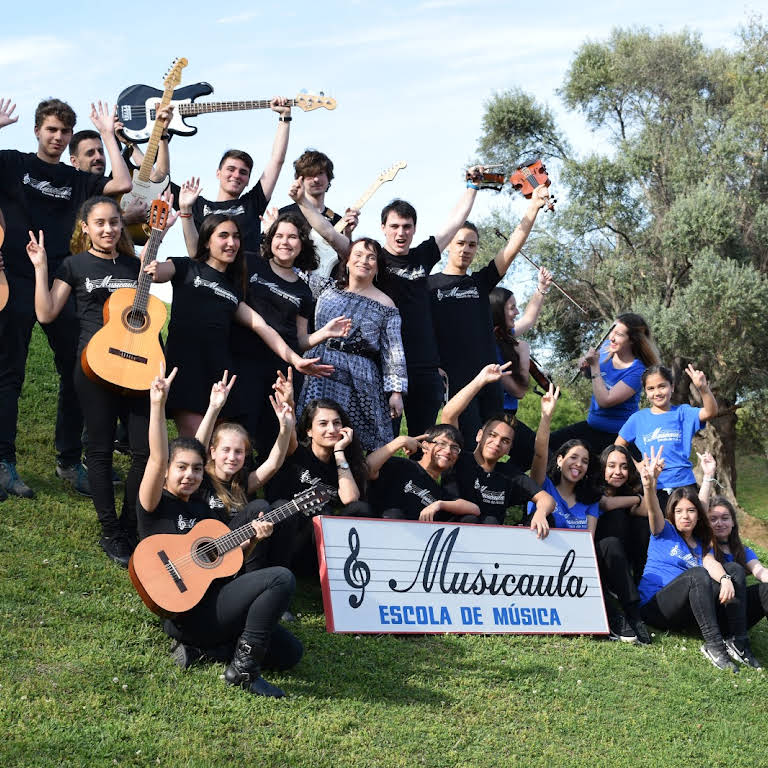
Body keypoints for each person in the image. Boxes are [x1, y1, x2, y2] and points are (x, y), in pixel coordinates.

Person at [137, 367, 301, 697]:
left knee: (289, 653)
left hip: (213, 605)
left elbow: (227, 561)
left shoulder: (202, 511)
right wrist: (158, 404)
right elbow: (157, 456)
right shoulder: (154, 503)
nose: (190, 475)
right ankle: (243, 671)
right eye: (181, 468)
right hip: (186, 612)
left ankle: (204, 652)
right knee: (280, 577)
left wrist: (253, 538)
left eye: (196, 470)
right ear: (167, 470)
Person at [289, 166, 486, 437]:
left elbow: (454, 223)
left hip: (424, 366)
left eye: (407, 227)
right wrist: (302, 203)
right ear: (383, 228)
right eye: (394, 226)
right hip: (385, 366)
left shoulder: (423, 256)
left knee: (424, 439)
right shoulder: (372, 259)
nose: (400, 233)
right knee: (385, 436)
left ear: (415, 229)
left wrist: (472, 188)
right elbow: (330, 234)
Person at [0, 97, 131, 498]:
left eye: (64, 132)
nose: (57, 138)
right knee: (9, 374)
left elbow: (122, 183)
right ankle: (4, 463)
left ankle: (69, 461)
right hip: (16, 279)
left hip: (62, 281)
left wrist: (108, 133)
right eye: (51, 130)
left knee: (78, 370)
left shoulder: (77, 181)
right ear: (37, 131)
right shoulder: (14, 164)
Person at [26, 195, 155, 567]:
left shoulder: (136, 265)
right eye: (99, 223)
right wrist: (40, 266)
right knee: (98, 450)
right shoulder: (74, 264)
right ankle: (111, 531)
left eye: (114, 222)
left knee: (144, 452)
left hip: (138, 366)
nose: (108, 229)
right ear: (86, 227)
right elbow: (47, 313)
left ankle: (132, 525)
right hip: (93, 365)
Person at [145, 213, 333, 437]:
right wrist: (160, 232)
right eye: (223, 236)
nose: (231, 242)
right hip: (187, 367)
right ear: (207, 240)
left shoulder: (235, 289)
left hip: (220, 372)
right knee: (194, 442)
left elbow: (263, 327)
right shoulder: (185, 267)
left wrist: (296, 360)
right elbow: (150, 271)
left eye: (236, 237)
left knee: (220, 445)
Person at [427, 187, 549, 445]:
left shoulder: (480, 283)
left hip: (490, 379)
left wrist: (533, 208)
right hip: (457, 382)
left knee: (492, 446)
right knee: (464, 445)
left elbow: (512, 248)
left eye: (472, 244)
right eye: (460, 243)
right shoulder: (430, 285)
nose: (465, 249)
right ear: (449, 244)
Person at [231, 211, 350, 449]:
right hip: (244, 362)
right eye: (279, 236)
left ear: (302, 244)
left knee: (274, 438)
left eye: (293, 237)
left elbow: (300, 339)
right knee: (239, 433)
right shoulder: (250, 262)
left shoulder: (303, 291)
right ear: (270, 239)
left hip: (282, 371)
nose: (285, 242)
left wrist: (324, 333)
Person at [636, 448, 759, 671]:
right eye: (680, 511)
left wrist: (725, 578)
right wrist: (649, 485)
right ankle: (714, 645)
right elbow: (653, 509)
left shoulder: (702, 543)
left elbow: (711, 563)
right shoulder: (663, 530)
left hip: (684, 614)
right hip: (656, 608)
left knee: (732, 568)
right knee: (697, 575)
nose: (686, 516)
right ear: (671, 513)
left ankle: (739, 641)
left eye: (691, 511)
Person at [296, 237, 407, 452]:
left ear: (377, 266)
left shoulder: (386, 305)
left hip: (360, 376)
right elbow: (292, 271)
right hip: (320, 369)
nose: (364, 261)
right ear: (346, 261)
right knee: (315, 431)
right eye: (358, 255)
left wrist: (396, 392)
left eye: (371, 257)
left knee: (355, 439)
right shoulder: (325, 288)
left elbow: (393, 352)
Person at [173, 97, 293, 265]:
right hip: (212, 282)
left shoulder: (252, 203)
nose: (236, 175)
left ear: (248, 180)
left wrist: (284, 118)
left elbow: (277, 160)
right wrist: (136, 142)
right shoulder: (196, 204)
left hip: (248, 282)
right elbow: (157, 179)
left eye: (243, 172)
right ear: (218, 173)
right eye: (231, 169)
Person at [265, 397, 374, 574]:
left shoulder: (344, 465)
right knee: (322, 516)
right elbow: (289, 434)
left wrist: (339, 452)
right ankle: (280, 572)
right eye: (323, 424)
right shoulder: (296, 452)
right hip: (291, 541)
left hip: (322, 544)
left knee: (359, 508)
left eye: (337, 423)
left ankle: (344, 573)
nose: (332, 429)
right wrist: (289, 405)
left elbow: (351, 499)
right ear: (309, 430)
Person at [439, 361, 555, 526]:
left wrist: (541, 513)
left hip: (490, 545)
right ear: (479, 435)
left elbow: (547, 499)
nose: (497, 442)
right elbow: (449, 415)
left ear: (509, 449)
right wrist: (481, 380)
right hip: (450, 542)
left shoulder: (508, 475)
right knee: (471, 518)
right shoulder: (457, 460)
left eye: (505, 441)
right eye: (492, 435)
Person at [550, 314, 660, 455]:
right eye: (611, 332)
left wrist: (594, 366)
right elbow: (593, 377)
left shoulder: (638, 371)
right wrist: (585, 368)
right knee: (550, 444)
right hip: (592, 428)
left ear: (632, 340)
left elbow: (605, 401)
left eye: (618, 334)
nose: (611, 338)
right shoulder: (607, 348)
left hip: (618, 437)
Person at [616, 363, 717, 510]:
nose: (657, 392)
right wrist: (636, 465)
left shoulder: (683, 413)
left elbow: (710, 412)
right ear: (645, 391)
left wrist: (703, 388)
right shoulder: (637, 419)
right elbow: (617, 447)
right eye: (651, 388)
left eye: (662, 386)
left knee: (687, 529)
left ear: (672, 387)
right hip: (653, 487)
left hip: (684, 485)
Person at [700, 454, 768, 652]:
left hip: (738, 613)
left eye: (725, 518)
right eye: (713, 519)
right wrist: (708, 476)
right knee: (734, 569)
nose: (719, 523)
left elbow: (760, 571)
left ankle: (738, 637)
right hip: (713, 613)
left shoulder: (742, 550)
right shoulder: (704, 546)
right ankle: (736, 641)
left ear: (733, 523)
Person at [489, 271, 552, 471]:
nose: (517, 312)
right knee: (541, 457)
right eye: (512, 308)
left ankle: (504, 482)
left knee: (531, 456)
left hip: (508, 414)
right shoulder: (489, 346)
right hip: (497, 415)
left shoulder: (506, 337)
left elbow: (529, 319)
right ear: (498, 311)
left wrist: (541, 288)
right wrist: (523, 354)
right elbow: (519, 390)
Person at [367, 424, 480, 522]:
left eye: (454, 448)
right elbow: (367, 469)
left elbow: (475, 509)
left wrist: (439, 504)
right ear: (425, 446)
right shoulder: (400, 465)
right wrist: (400, 441)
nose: (448, 451)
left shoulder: (440, 493)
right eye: (442, 443)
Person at [278, 149, 358, 276]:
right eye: (310, 174)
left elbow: (346, 261)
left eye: (320, 173)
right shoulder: (284, 214)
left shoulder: (338, 220)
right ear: (300, 180)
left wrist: (348, 234)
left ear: (328, 177)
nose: (316, 179)